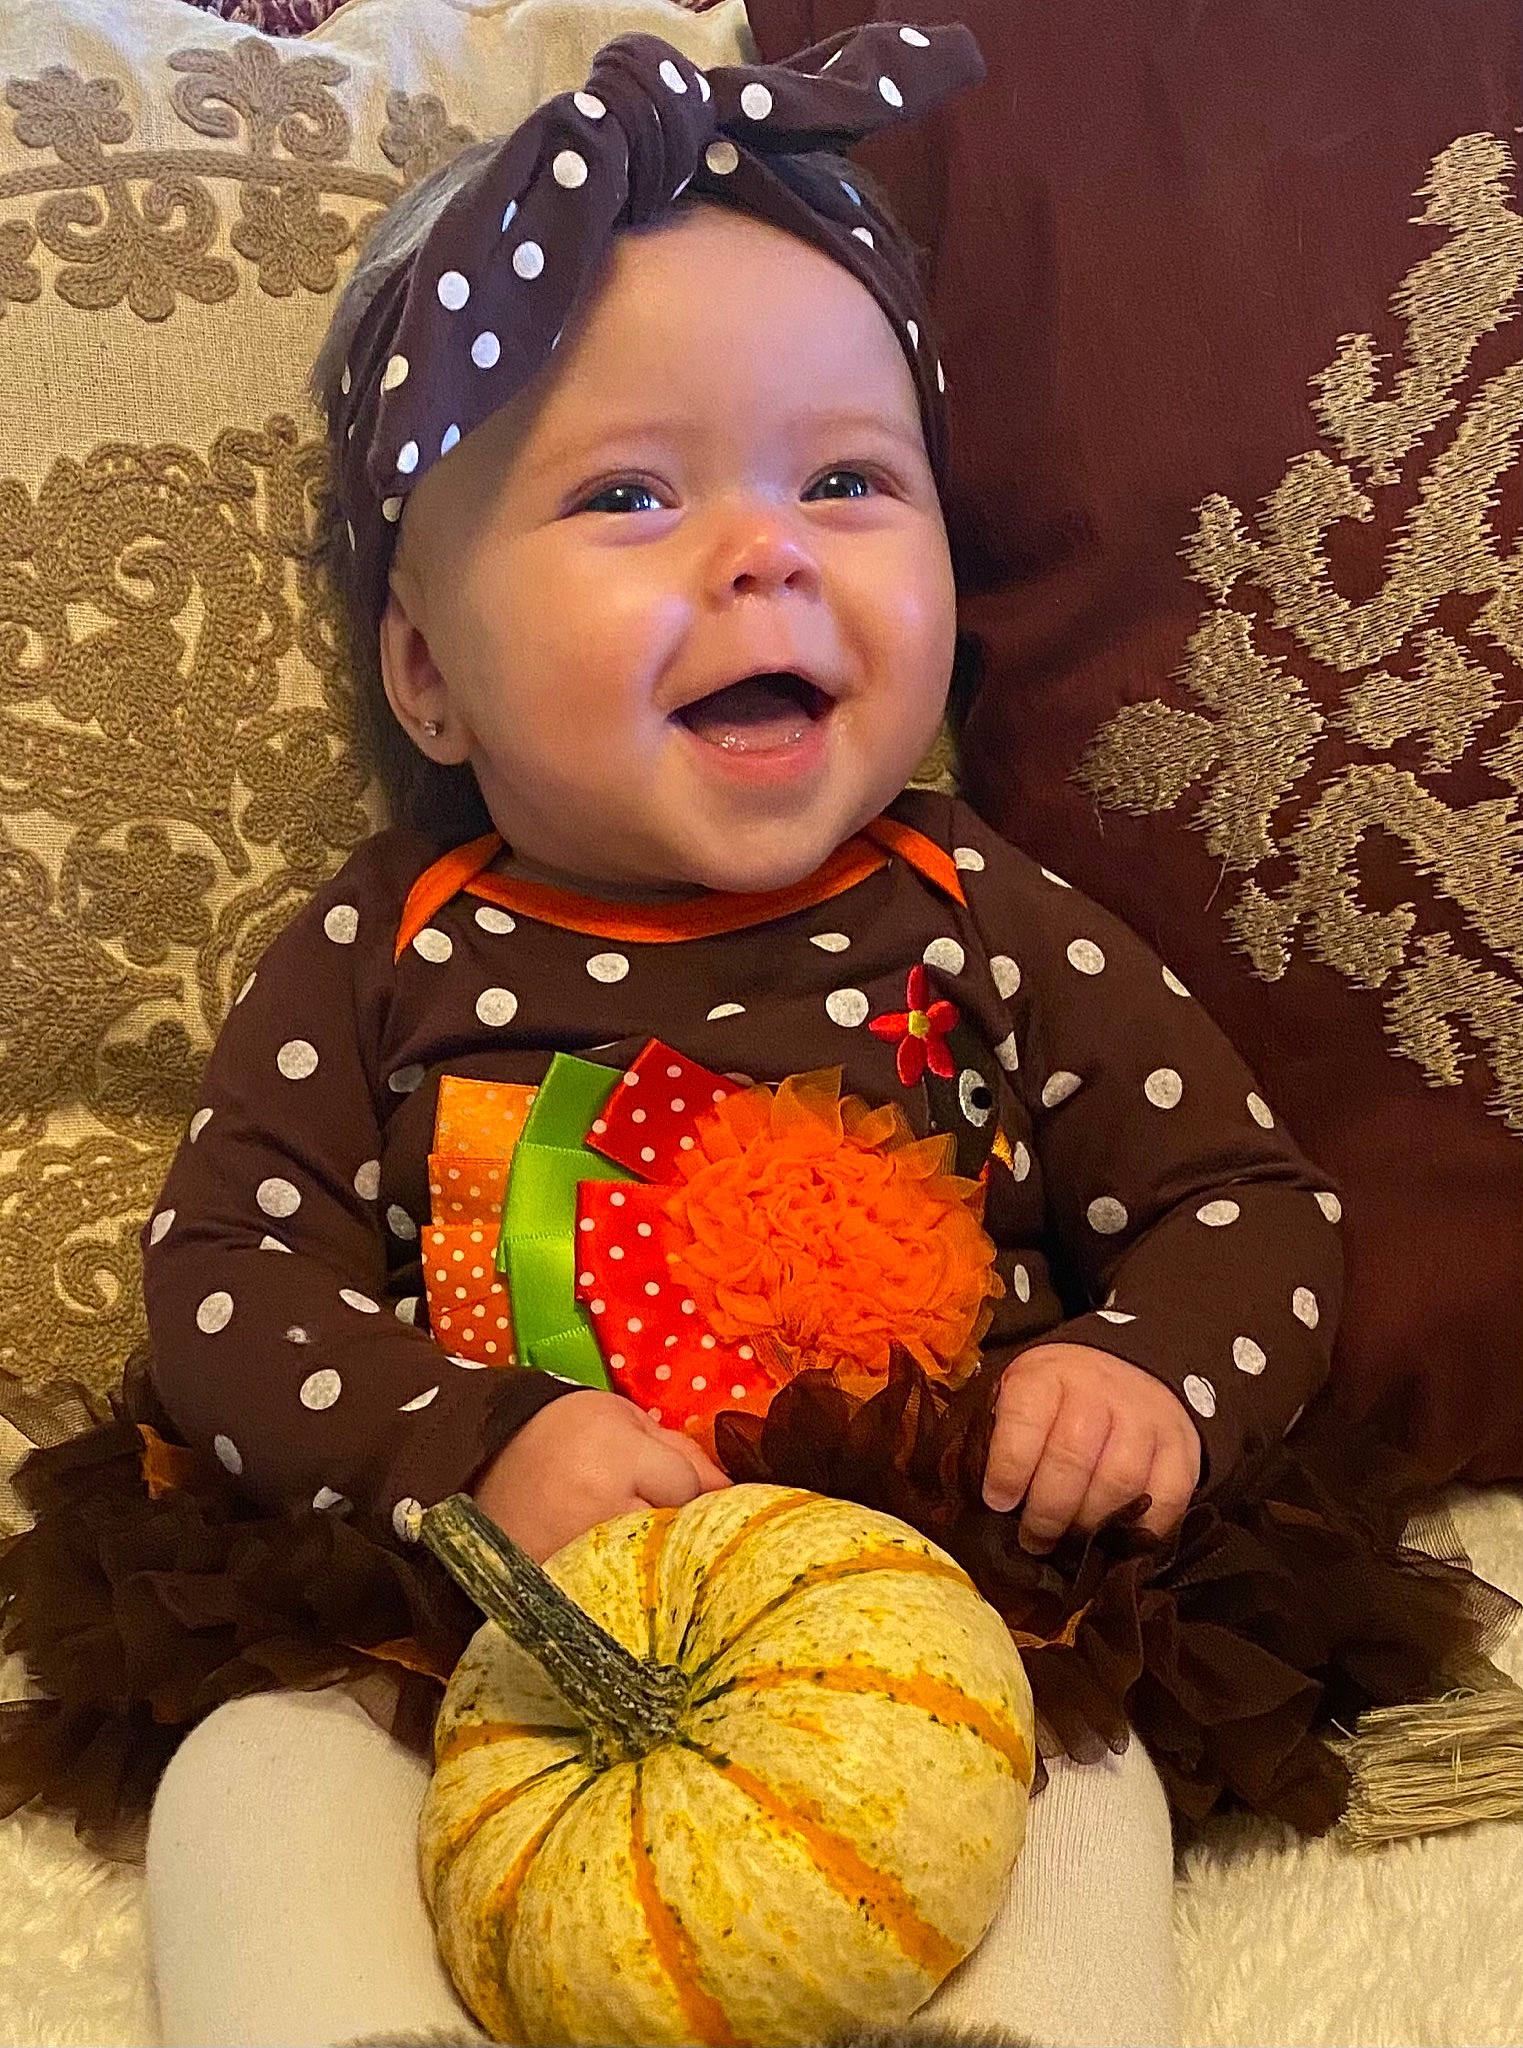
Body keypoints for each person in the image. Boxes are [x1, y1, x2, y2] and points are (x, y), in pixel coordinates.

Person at [0, 20, 1513, 2048]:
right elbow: (225, 1282)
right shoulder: (392, 942)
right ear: (430, 673)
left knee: (1083, 1780)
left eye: (848, 479)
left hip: (941, 1600)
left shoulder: (980, 917)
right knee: (254, 1770)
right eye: (628, 492)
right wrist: (473, 1444)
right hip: (477, 1613)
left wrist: (1142, 1369)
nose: (766, 547)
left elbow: (1235, 1204)